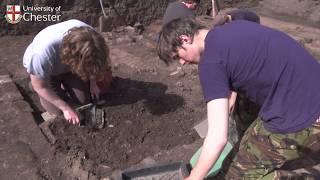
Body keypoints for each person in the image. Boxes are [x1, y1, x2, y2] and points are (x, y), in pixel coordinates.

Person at [157, 18, 320, 179]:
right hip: (309, 89)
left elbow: (217, 137)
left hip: (305, 115)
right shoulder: (236, 26)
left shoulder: (211, 63)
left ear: (184, 39)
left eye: (178, 55)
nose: (181, 63)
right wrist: (233, 91)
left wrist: (195, 177)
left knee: (236, 175)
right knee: (245, 139)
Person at [23, 19, 112, 125]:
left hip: (69, 67)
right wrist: (65, 108)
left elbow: (93, 62)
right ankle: (35, 82)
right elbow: (40, 87)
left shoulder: (93, 39)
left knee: (83, 101)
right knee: (58, 112)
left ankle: (64, 84)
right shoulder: (41, 54)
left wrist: (93, 84)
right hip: (49, 73)